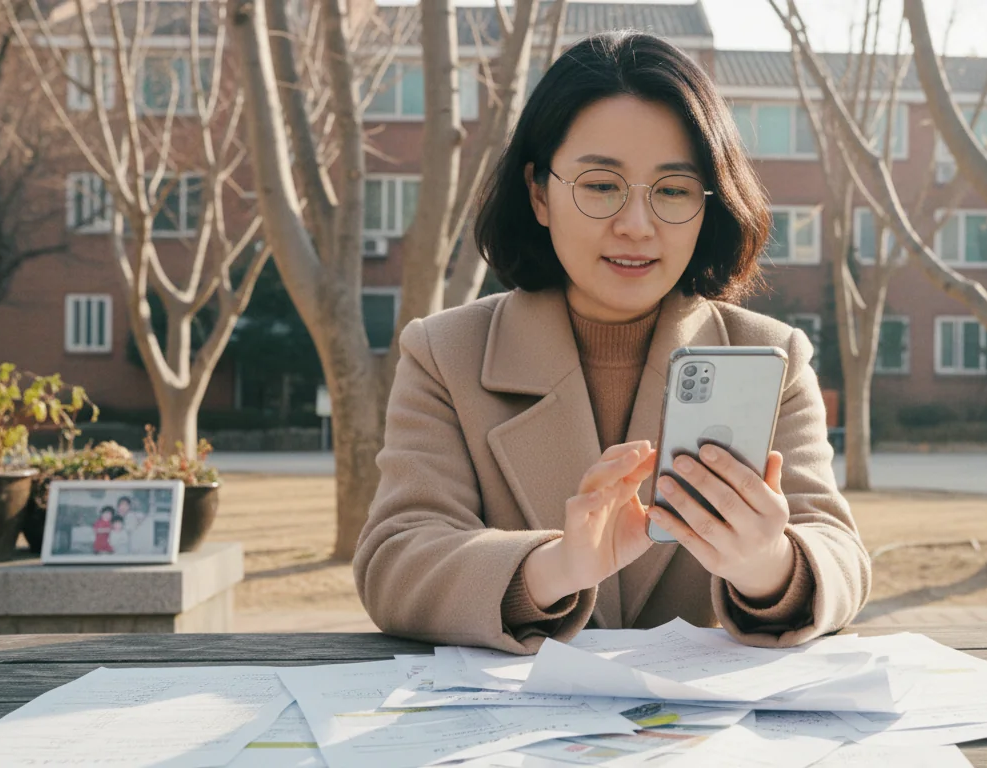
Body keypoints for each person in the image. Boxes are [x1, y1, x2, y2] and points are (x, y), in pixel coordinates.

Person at [354, 31, 870, 654]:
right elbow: (395, 559)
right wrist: (560, 567)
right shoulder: (445, 353)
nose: (636, 225)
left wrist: (767, 566)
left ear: (711, 204)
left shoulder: (772, 356)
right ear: (540, 193)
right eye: (601, 185)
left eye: (674, 190)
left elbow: (840, 556)